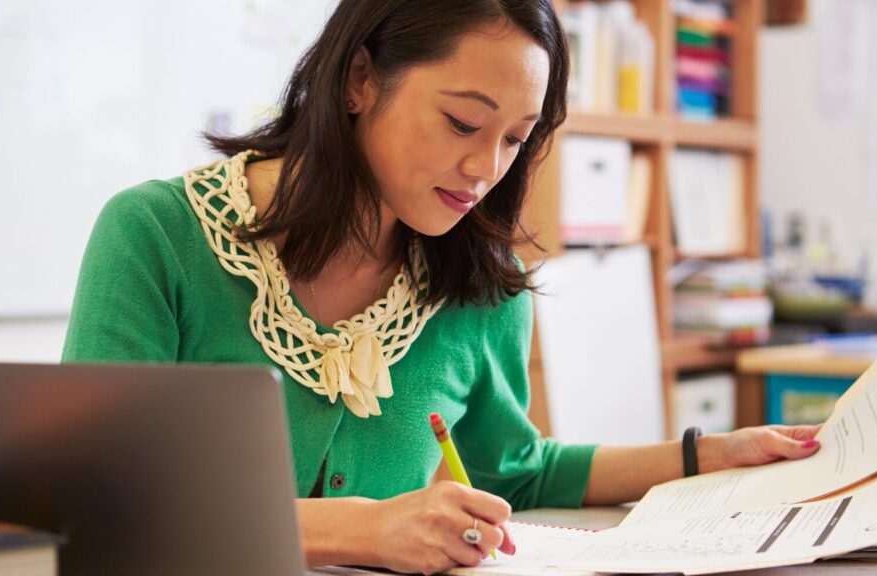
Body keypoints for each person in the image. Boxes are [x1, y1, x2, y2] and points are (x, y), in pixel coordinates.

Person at [62, 1, 822, 573]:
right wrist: (358, 529)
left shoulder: (483, 285)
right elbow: (97, 497)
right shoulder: (157, 237)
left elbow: (513, 472)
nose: (485, 168)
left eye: (516, 139)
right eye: (464, 123)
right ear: (360, 80)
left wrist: (706, 457)